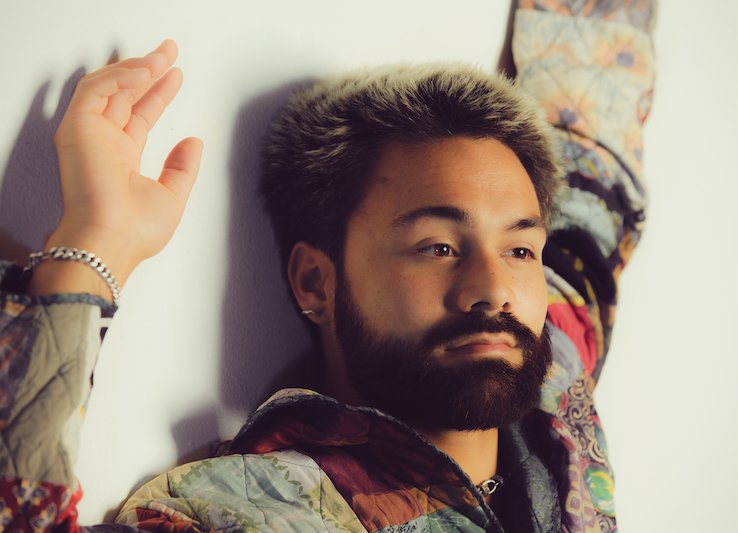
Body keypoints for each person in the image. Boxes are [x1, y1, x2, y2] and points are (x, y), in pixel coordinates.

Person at [0, 2, 655, 532]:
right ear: (316, 280)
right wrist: (95, 245)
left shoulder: (555, 375)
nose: (494, 290)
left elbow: (593, 153)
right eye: (438, 247)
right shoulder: (242, 513)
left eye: (520, 249)